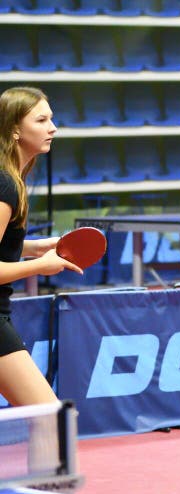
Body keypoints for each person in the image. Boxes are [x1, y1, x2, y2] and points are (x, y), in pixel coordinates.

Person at [0, 86, 82, 407]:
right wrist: (41, 266)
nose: (53, 127)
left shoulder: (12, 179)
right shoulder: (6, 184)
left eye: (52, 118)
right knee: (49, 418)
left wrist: (35, 247)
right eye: (42, 119)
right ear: (15, 130)